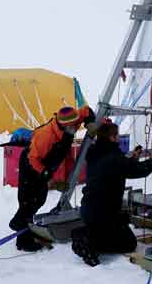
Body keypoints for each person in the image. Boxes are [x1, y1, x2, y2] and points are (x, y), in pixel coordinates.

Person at [9, 105, 94, 251]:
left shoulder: (71, 118)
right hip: (31, 164)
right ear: (63, 126)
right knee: (29, 201)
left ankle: (24, 225)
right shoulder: (46, 136)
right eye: (71, 127)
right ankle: (22, 236)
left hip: (44, 162)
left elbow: (86, 110)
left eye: (76, 125)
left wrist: (90, 122)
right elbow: (33, 159)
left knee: (40, 198)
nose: (75, 128)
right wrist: (50, 180)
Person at [72, 121, 152, 266]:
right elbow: (136, 170)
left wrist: (133, 158)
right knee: (128, 243)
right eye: (116, 135)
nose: (118, 138)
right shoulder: (113, 157)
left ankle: (91, 234)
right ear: (111, 138)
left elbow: (120, 166)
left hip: (90, 208)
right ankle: (88, 239)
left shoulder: (96, 152)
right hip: (103, 212)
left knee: (119, 228)